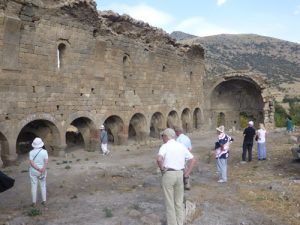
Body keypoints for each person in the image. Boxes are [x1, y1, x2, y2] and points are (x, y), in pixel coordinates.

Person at [156, 128, 196, 225]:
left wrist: (161, 169)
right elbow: (193, 159)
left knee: (170, 203)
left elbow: (158, 159)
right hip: (180, 174)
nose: (162, 138)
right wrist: (187, 174)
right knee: (179, 202)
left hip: (168, 174)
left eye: (163, 136)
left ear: (166, 136)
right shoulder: (181, 146)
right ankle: (180, 223)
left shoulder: (164, 146)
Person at [29, 137, 48, 207]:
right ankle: (44, 201)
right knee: (43, 185)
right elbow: (46, 161)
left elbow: (31, 163)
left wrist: (37, 168)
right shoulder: (45, 152)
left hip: (34, 171)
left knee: (34, 186)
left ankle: (34, 202)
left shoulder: (31, 152)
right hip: (42, 171)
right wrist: (43, 168)